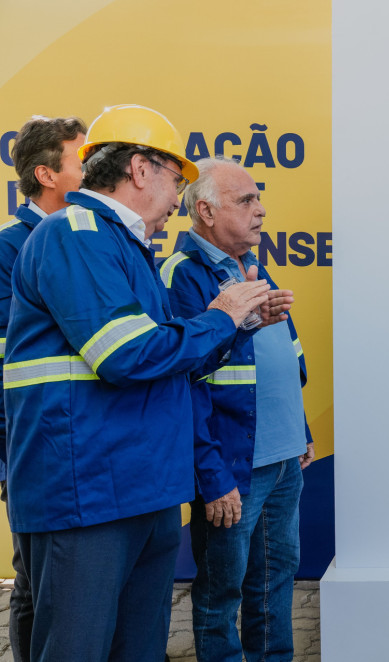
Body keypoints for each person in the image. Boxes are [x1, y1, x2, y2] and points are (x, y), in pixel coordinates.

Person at [3, 104, 275, 662]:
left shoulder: (122, 244)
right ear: (140, 169)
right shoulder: (74, 233)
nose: (180, 196)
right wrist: (220, 315)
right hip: (90, 494)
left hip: (137, 488)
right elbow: (124, 356)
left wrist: (235, 326)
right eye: (177, 178)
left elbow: (167, 363)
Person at [159, 156, 313, 662]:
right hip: (231, 464)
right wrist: (211, 472)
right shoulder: (183, 275)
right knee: (221, 593)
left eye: (258, 199)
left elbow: (280, 356)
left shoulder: (250, 264)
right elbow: (185, 379)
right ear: (205, 210)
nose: (261, 210)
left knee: (275, 580)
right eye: (246, 200)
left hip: (282, 456)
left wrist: (300, 429)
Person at [2, 114, 88, 662]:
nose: (92, 169)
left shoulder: (91, 237)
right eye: (82, 160)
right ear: (47, 174)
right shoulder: (10, 247)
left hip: (78, 437)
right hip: (29, 438)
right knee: (33, 580)